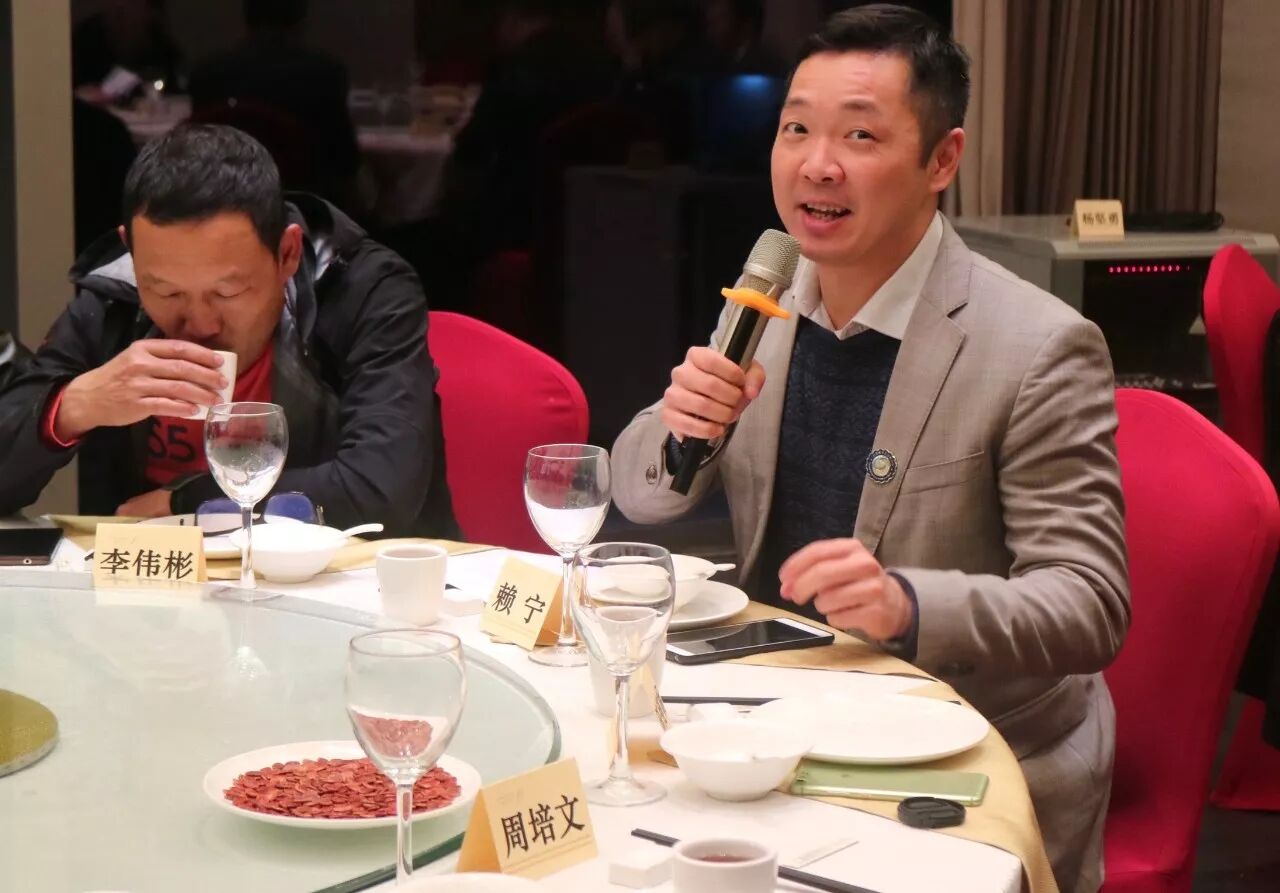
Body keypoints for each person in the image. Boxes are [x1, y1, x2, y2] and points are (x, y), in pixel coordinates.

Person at [610, 6, 1129, 892]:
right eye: (796, 130)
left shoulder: (1039, 346)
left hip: (959, 755)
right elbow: (641, 489)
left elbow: (1089, 602)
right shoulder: (771, 296)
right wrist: (685, 425)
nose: (817, 164)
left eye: (859, 135)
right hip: (778, 716)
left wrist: (908, 604)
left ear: (942, 161)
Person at [0, 124, 458, 539]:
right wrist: (72, 406)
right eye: (166, 292)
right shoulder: (113, 303)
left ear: (287, 254)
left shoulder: (360, 291)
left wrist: (189, 504)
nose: (200, 324)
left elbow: (381, 490)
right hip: (153, 590)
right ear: (132, 256)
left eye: (228, 292)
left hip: (347, 586)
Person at [187, 0, 360, 205]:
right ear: (301, 20)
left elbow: (198, 151)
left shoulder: (207, 74)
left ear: (247, 19)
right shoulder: (324, 73)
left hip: (224, 201)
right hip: (305, 204)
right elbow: (345, 161)